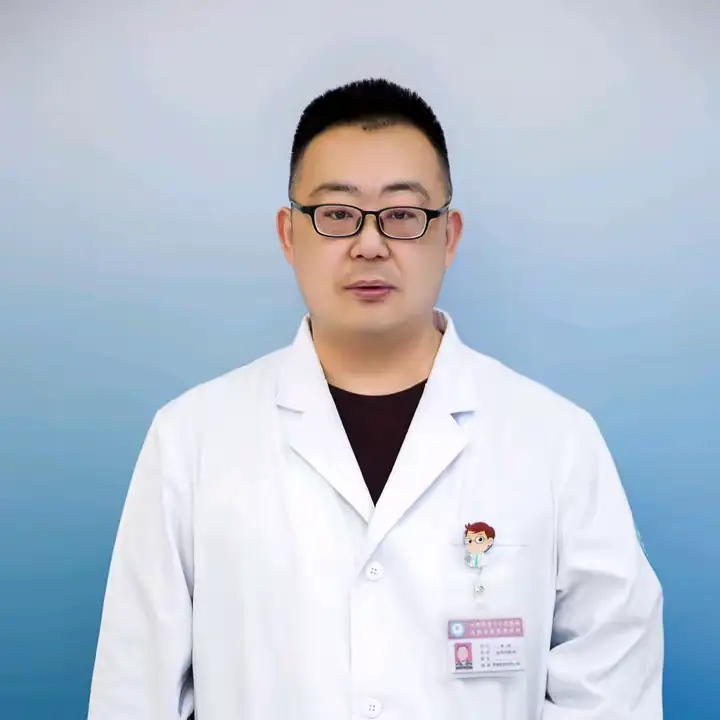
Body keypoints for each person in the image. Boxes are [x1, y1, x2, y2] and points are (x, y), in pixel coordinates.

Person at [88, 78, 664, 719]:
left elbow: (612, 686)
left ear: (449, 236)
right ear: (289, 234)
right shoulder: (191, 440)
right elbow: (133, 692)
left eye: (402, 214)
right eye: (337, 214)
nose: (369, 244)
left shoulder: (555, 440)